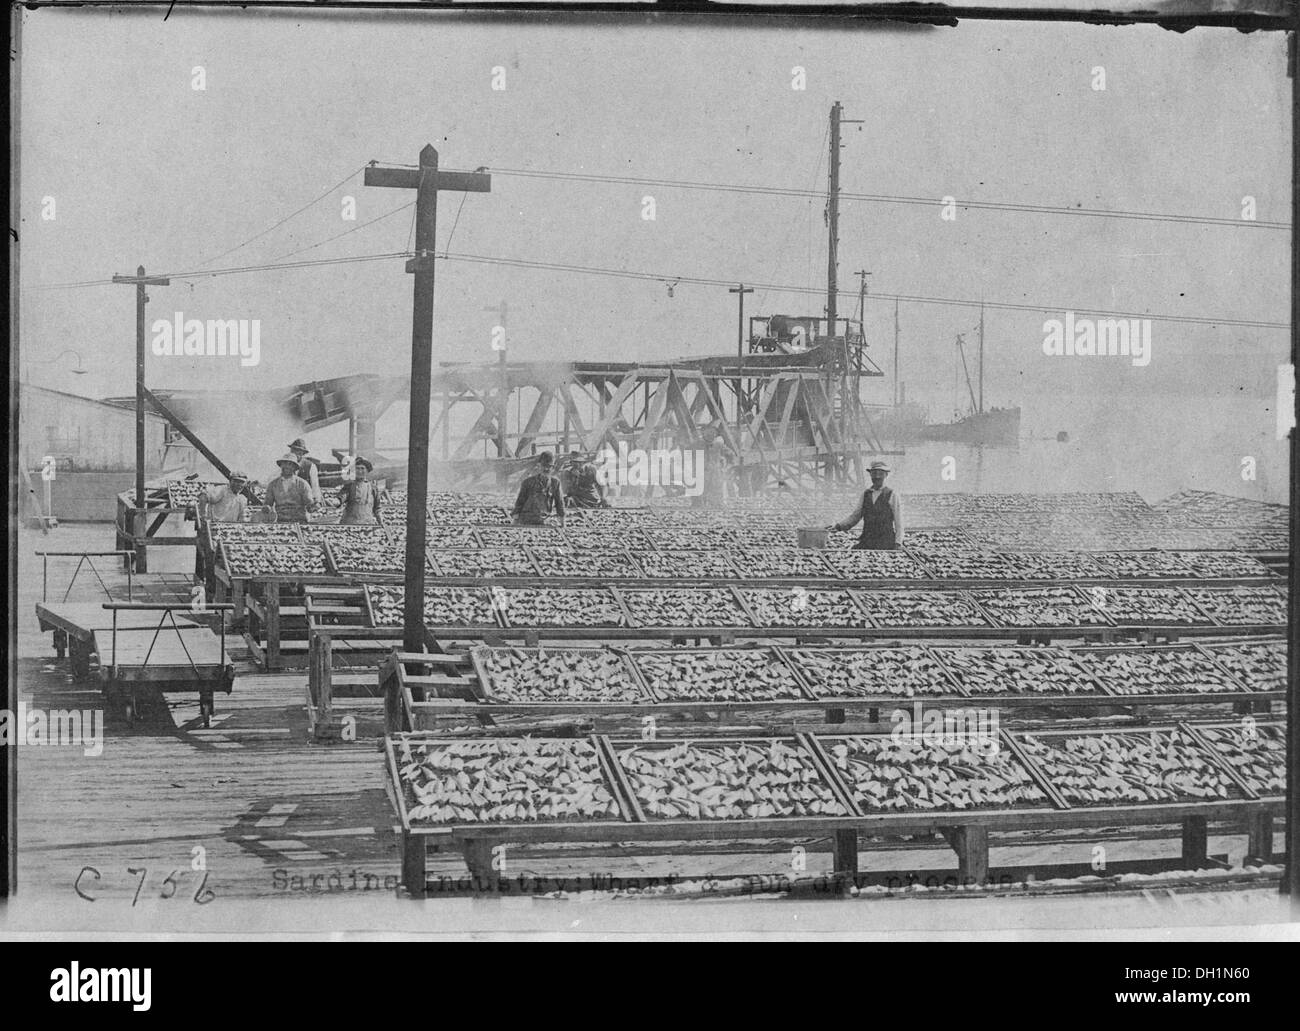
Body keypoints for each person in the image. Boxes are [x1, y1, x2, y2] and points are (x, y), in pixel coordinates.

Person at [828, 460, 905, 550]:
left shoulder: (892, 494)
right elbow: (856, 516)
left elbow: (899, 521)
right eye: (874, 474)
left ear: (886, 475)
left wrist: (898, 543)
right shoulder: (866, 494)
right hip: (868, 539)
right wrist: (838, 526)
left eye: (880, 474)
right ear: (870, 475)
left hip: (885, 541)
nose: (877, 477)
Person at [512, 451, 567, 526]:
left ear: (553, 468)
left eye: (549, 466)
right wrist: (515, 521)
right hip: (526, 520)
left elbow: (559, 503)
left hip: (544, 520)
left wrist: (563, 523)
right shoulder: (527, 482)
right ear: (539, 466)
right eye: (544, 466)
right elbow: (519, 502)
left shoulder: (555, 483)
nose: (546, 469)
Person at [267, 453, 317, 523]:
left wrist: (313, 506)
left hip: (299, 520)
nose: (287, 466)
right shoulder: (273, 485)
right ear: (281, 465)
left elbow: (309, 504)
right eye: (284, 463)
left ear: (294, 468)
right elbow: (268, 503)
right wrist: (266, 509)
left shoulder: (302, 484)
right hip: (281, 520)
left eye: (290, 464)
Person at [337, 457, 382, 525]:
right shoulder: (349, 486)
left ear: (367, 470)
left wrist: (381, 522)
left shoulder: (373, 488)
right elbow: (342, 497)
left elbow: (377, 508)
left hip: (367, 523)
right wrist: (335, 501)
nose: (360, 471)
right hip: (350, 524)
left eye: (362, 468)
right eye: (357, 468)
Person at [286, 437, 324, 506]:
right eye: (292, 451)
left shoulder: (310, 466)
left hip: (305, 503)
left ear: (302, 453)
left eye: (297, 452)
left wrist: (317, 502)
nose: (293, 454)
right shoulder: (286, 465)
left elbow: (315, 487)